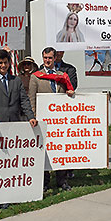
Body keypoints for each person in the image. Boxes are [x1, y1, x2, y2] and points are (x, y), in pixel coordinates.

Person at [29, 47, 75, 191]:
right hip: (43, 120)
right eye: (45, 58)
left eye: (50, 58)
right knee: (44, 151)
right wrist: (33, 117)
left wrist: (70, 92)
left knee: (60, 150)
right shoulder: (35, 76)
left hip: (59, 121)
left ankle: (62, 180)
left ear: (55, 58)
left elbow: (69, 93)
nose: (47, 60)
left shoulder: (62, 75)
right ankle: (45, 181)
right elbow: (31, 99)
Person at [0, 49, 37, 128]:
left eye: (5, 62)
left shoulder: (16, 80)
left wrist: (31, 117)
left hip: (15, 124)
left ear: (9, 63)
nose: (3, 65)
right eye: (0, 63)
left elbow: (24, 101)